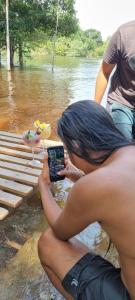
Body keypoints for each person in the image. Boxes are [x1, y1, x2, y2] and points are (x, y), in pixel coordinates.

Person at [38, 100, 135, 300]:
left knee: (48, 242)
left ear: (75, 146)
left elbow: (60, 230)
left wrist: (44, 186)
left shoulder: (94, 186)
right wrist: (79, 176)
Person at [94, 20, 135, 140]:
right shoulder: (124, 33)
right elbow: (104, 72)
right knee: (122, 147)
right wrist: (94, 110)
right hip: (121, 101)